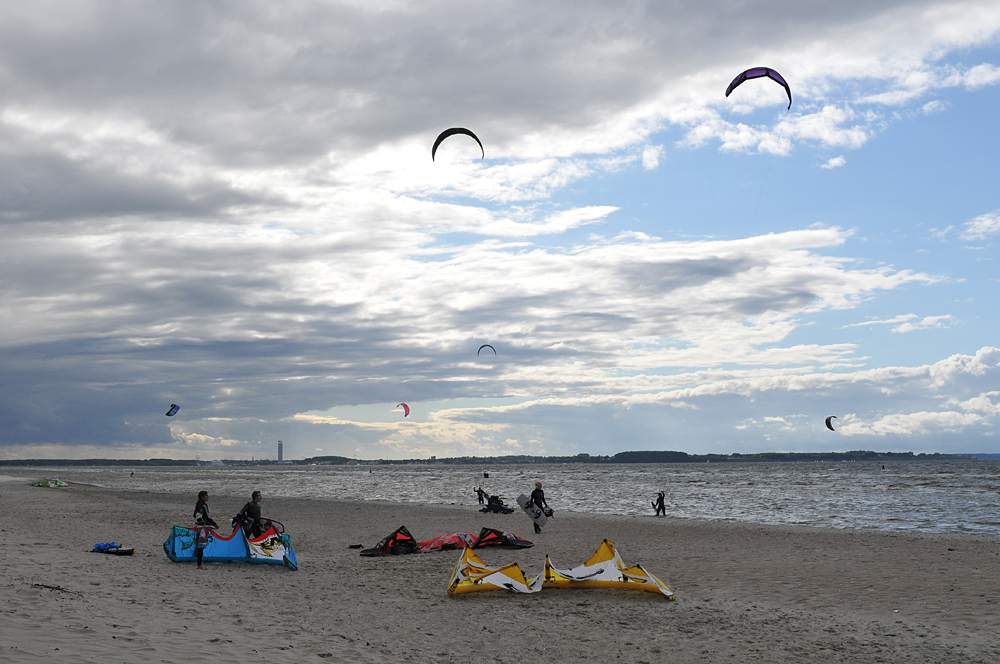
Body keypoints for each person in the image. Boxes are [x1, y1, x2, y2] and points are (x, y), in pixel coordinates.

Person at [193, 491, 218, 570]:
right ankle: (199, 564)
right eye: (206, 495)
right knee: (201, 546)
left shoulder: (198, 504)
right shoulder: (204, 505)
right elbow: (207, 517)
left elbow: (194, 515)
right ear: (202, 496)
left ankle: (199, 563)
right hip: (203, 527)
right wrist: (215, 524)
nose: (208, 496)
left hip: (198, 527)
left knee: (199, 545)